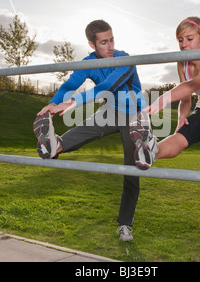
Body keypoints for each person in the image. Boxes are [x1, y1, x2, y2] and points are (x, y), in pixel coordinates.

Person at [130, 16, 200, 261]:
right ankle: (150, 150)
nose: (183, 45)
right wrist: (182, 116)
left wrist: (162, 99)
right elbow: (186, 97)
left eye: (189, 39)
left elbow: (194, 84)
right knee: (179, 138)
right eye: (180, 40)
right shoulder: (181, 63)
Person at [33, 20, 146, 242]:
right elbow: (69, 84)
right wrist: (53, 104)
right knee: (83, 129)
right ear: (92, 44)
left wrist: (73, 102)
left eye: (112, 39)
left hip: (134, 114)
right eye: (104, 42)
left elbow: (107, 87)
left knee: (131, 170)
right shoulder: (89, 62)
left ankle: (124, 225)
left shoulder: (126, 59)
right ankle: (55, 145)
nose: (110, 45)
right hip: (111, 110)